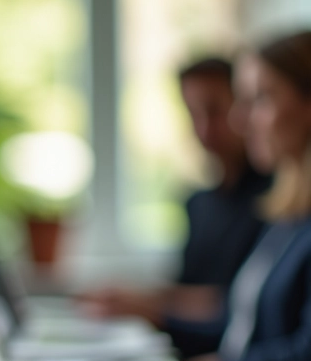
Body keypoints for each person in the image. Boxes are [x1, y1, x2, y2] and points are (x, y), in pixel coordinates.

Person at [7, 31, 311, 361]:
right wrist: (162, 325)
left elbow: (304, 358)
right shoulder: (288, 220)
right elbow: (237, 328)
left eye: (260, 99)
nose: (239, 119)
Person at [78, 57, 272, 339]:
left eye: (215, 111)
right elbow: (190, 289)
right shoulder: (199, 203)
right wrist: (135, 296)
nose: (204, 129)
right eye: (193, 113)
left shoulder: (276, 201)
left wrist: (146, 305)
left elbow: (236, 300)